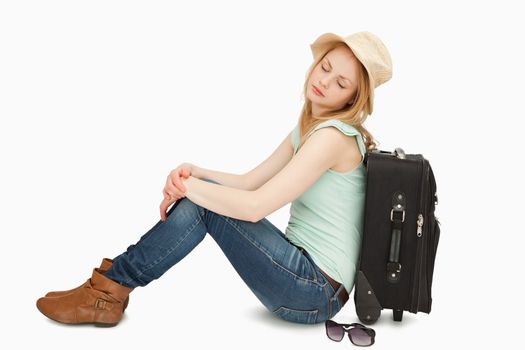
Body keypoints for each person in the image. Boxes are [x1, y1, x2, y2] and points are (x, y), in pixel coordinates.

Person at [36, 31, 393, 326]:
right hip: (300, 274)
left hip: (315, 292)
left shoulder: (333, 137)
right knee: (204, 198)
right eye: (325, 67)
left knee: (203, 203)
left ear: (353, 98)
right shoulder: (310, 128)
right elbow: (251, 181)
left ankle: (108, 291)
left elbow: (255, 207)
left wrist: (190, 190)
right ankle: (108, 289)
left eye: (340, 82)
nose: (324, 81)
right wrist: (195, 172)